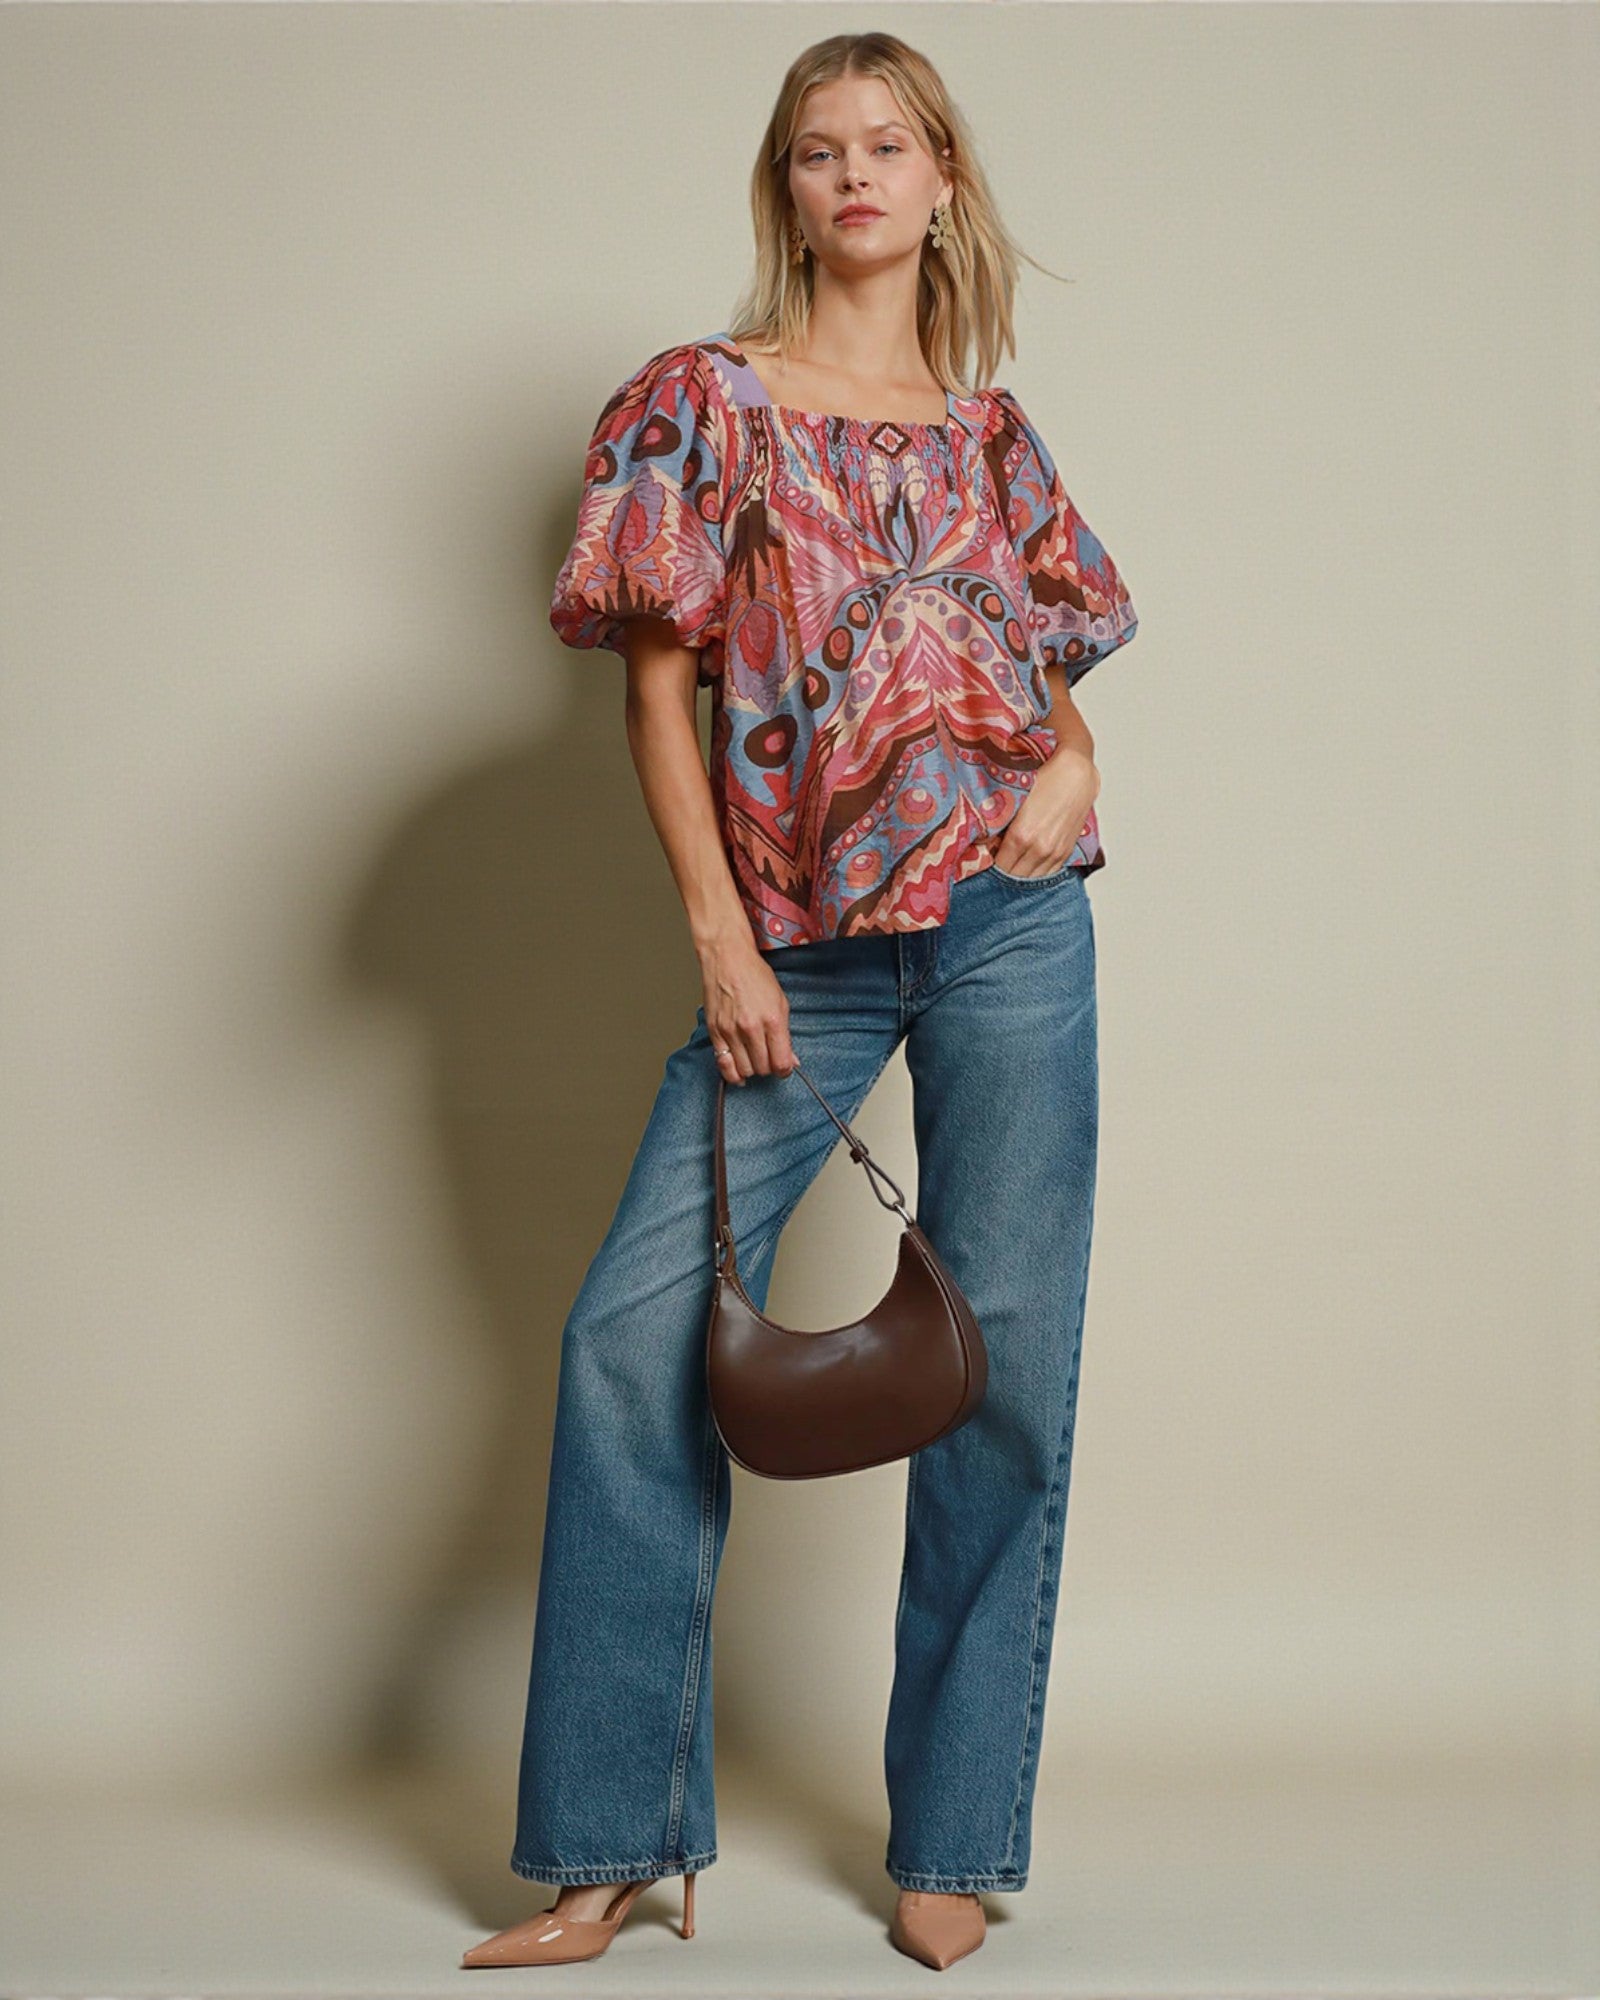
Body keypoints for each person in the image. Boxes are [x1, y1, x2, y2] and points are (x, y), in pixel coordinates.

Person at [461, 28, 1139, 1976]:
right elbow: (655, 689)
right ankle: (609, 1843)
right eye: (819, 149)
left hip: (1011, 924)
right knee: (630, 1340)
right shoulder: (702, 402)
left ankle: (956, 1835)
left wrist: (1077, 764)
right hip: (800, 946)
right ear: (788, 187)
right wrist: (719, 937)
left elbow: (1033, 667)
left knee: (1002, 1365)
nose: (854, 174)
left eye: (889, 145)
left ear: (942, 183)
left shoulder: (989, 435)